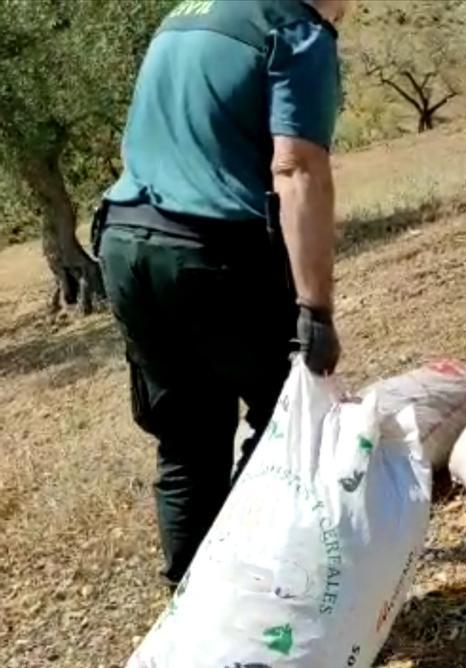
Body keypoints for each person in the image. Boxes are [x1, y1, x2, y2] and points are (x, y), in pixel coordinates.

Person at [94, 0, 355, 590]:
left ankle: (193, 614)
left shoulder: (185, 15)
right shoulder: (295, 30)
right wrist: (316, 310)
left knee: (188, 443)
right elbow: (297, 167)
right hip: (209, 255)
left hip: (126, 242)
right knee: (286, 422)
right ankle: (253, 593)